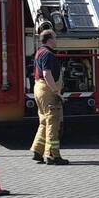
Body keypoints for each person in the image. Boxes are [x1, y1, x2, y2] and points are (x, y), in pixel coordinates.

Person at [30, 30, 68, 165]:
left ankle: (38, 150)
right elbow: (46, 74)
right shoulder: (48, 54)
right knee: (53, 121)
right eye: (55, 37)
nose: (56, 39)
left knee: (44, 121)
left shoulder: (39, 52)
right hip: (47, 90)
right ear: (50, 39)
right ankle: (52, 155)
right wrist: (55, 91)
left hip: (38, 88)